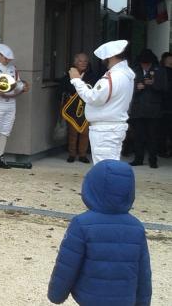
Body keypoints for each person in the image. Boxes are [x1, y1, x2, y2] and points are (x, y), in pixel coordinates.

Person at [47, 159, 152, 305]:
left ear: (91, 187)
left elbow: (67, 265)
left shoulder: (81, 224)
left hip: (89, 299)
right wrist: (143, 302)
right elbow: (144, 272)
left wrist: (56, 294)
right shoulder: (136, 227)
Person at [69, 40, 134, 165]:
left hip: (105, 129)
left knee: (104, 166)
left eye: (105, 57)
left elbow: (93, 98)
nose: (103, 60)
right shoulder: (126, 74)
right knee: (111, 164)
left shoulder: (113, 76)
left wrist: (76, 80)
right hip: (113, 126)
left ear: (111, 56)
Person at [129, 49, 167, 168]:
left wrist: (153, 84)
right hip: (138, 108)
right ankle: (138, 159)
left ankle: (153, 160)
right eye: (143, 63)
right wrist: (136, 88)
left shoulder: (160, 71)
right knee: (138, 136)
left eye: (147, 63)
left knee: (153, 136)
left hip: (153, 109)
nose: (145, 65)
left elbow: (165, 88)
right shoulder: (134, 71)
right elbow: (126, 89)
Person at [60, 53, 98, 163]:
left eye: (85, 61)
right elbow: (61, 91)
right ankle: (72, 154)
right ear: (75, 63)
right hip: (72, 110)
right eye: (81, 61)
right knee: (73, 132)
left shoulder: (92, 76)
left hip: (87, 109)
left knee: (85, 133)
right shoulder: (69, 75)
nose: (83, 63)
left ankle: (82, 155)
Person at [159, 52, 172, 157]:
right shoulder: (160, 71)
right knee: (163, 129)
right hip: (163, 104)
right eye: (169, 59)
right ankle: (162, 149)